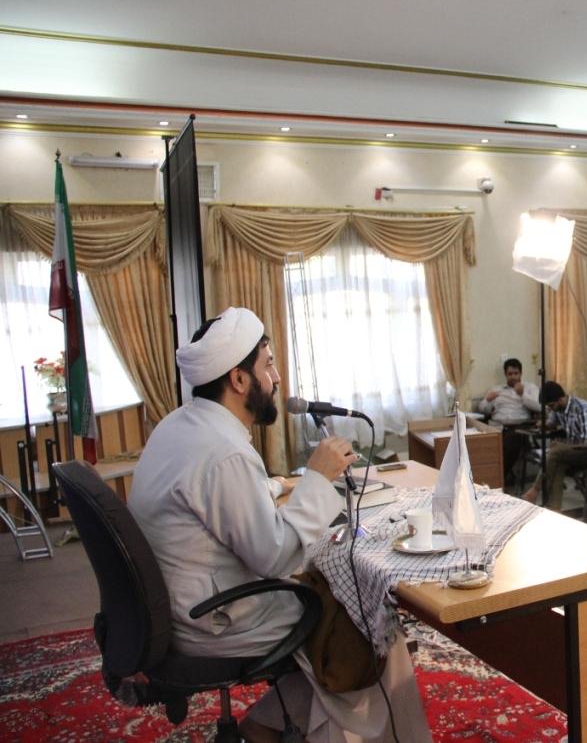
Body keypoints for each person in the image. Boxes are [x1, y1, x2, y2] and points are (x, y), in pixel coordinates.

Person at [128, 307, 431, 743]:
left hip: (180, 606)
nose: (277, 378)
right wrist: (317, 478)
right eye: (268, 365)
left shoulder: (181, 425)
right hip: (218, 619)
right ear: (239, 379)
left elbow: (210, 500)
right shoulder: (225, 453)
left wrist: (274, 486)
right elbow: (275, 556)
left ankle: (267, 723)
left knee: (335, 596)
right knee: (371, 623)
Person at [522, 381, 587, 509]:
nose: (551, 409)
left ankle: (535, 490)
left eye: (551, 406)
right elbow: (551, 423)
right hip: (573, 451)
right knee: (557, 463)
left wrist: (563, 445)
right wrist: (543, 425)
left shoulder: (583, 409)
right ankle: (554, 510)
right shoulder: (558, 408)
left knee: (555, 451)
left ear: (560, 400)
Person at [478, 357, 542, 478]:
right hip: (496, 426)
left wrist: (523, 394)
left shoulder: (530, 388)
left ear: (521, 373)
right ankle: (488, 477)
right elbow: (483, 410)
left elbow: (539, 407)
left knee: (510, 443)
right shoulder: (496, 389)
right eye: (510, 374)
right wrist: (487, 400)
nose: (513, 377)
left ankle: (498, 479)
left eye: (516, 373)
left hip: (518, 428)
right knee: (480, 445)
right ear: (505, 374)